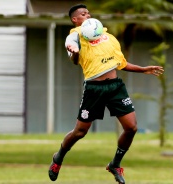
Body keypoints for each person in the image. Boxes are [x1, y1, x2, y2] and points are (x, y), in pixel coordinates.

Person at [48, 4, 164, 184]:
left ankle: (115, 164)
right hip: (94, 88)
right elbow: (72, 54)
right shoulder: (75, 36)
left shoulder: (108, 37)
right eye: (83, 14)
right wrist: (75, 52)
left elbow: (121, 63)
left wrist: (143, 69)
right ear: (75, 20)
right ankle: (58, 157)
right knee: (80, 132)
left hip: (115, 87)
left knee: (131, 128)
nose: (87, 15)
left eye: (88, 13)